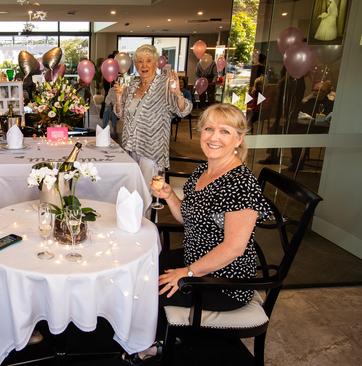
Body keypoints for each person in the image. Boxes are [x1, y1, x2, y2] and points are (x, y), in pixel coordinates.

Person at [123, 103, 273, 364]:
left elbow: (234, 249)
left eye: (224, 131)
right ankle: (151, 333)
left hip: (223, 281)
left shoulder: (241, 183)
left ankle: (156, 343)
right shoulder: (206, 169)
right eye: (209, 129)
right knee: (139, 268)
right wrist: (170, 195)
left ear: (238, 139)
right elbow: (187, 218)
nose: (214, 137)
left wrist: (188, 272)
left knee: (149, 287)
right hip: (196, 258)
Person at [114, 44, 192, 181]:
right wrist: (119, 98)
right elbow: (121, 115)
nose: (144, 65)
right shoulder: (132, 84)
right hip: (130, 146)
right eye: (140, 61)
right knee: (132, 189)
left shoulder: (165, 84)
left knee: (150, 193)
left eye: (148, 61)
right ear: (135, 64)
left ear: (156, 64)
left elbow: (184, 110)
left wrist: (178, 94)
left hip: (151, 151)